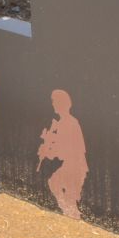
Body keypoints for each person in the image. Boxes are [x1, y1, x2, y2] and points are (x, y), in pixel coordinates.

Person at [37, 89, 88, 219]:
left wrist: (49, 152)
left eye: (55, 101)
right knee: (55, 183)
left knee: (65, 192)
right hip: (71, 165)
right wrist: (47, 147)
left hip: (75, 167)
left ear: (62, 103)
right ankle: (68, 212)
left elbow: (67, 150)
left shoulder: (69, 123)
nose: (53, 104)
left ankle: (71, 214)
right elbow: (60, 147)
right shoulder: (62, 123)